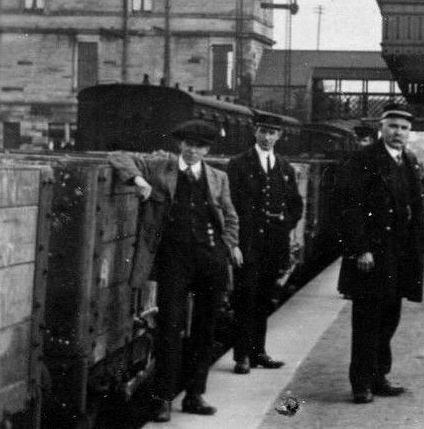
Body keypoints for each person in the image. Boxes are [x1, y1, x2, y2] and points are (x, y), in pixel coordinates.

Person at [108, 120, 240, 422]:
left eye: (200, 146)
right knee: (170, 329)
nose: (193, 151)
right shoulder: (161, 166)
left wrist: (226, 246)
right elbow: (117, 156)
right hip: (173, 260)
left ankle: (195, 395)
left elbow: (231, 216)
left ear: (207, 149)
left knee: (206, 329)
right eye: (189, 144)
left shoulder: (218, 177)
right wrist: (140, 181)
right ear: (181, 145)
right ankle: (163, 398)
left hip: (210, 260)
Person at [335, 103, 424, 404]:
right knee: (367, 321)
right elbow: (349, 206)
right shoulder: (364, 159)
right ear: (382, 127)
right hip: (372, 254)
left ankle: (379, 376)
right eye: (393, 126)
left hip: (401, 254)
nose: (398, 132)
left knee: (390, 317)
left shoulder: (409, 161)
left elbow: (417, 206)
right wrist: (360, 248)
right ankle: (361, 383)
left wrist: (423, 248)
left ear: (409, 133)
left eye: (404, 128)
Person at [227, 112, 304, 375]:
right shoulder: (238, 164)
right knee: (245, 298)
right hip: (247, 244)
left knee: (264, 299)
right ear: (255, 132)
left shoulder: (284, 167)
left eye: (273, 133)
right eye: (263, 131)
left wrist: (284, 226)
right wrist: (236, 240)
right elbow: (231, 206)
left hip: (273, 245)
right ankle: (241, 356)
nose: (267, 137)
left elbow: (296, 204)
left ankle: (258, 352)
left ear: (279, 135)